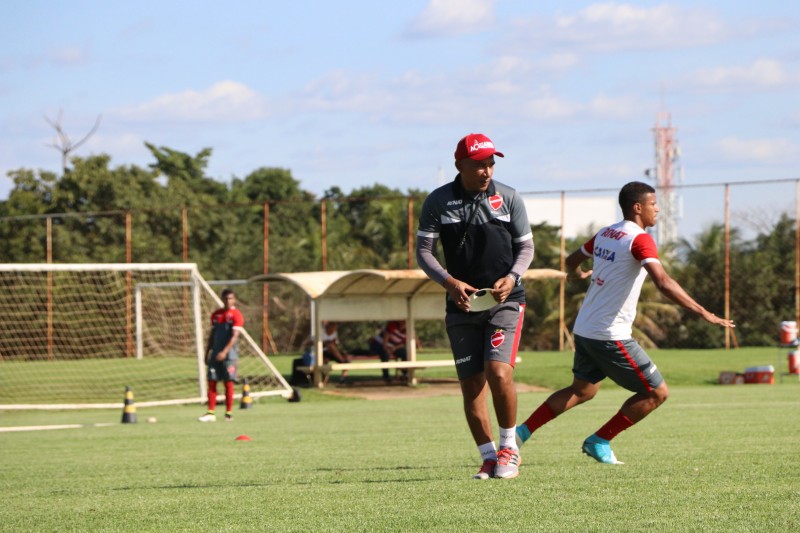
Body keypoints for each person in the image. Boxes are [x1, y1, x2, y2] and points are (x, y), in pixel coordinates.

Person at [516, 181, 735, 464]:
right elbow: (663, 282)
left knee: (582, 391)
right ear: (638, 207)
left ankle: (520, 433)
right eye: (653, 204)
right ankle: (600, 440)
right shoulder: (639, 239)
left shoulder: (606, 233)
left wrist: (576, 273)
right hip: (610, 334)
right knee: (657, 393)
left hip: (585, 328)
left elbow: (571, 259)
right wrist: (703, 312)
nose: (658, 209)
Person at [416, 133, 534, 480]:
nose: (487, 171)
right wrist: (449, 282)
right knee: (471, 385)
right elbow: (423, 252)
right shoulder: (438, 201)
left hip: (505, 301)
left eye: (491, 163)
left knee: (498, 372)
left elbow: (526, 248)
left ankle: (509, 448)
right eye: (479, 165)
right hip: (462, 306)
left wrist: (512, 277)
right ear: (460, 166)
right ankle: (488, 457)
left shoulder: (509, 197)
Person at [198, 288, 244, 422]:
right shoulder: (216, 315)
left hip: (229, 356)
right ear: (222, 299)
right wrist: (208, 352)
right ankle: (210, 412)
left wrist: (224, 352)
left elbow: (235, 336)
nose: (228, 301)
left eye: (230, 298)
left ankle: (228, 413)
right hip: (215, 354)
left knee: (228, 383)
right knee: (212, 381)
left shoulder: (236, 315)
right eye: (226, 298)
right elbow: (212, 335)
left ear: (234, 300)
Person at [292, 321, 351, 385]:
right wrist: (325, 343)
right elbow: (310, 343)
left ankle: (343, 378)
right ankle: (341, 362)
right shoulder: (319, 332)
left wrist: (331, 344)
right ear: (328, 327)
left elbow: (335, 344)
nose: (334, 330)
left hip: (332, 353)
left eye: (335, 328)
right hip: (321, 352)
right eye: (333, 328)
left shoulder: (334, 333)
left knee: (345, 356)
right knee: (330, 348)